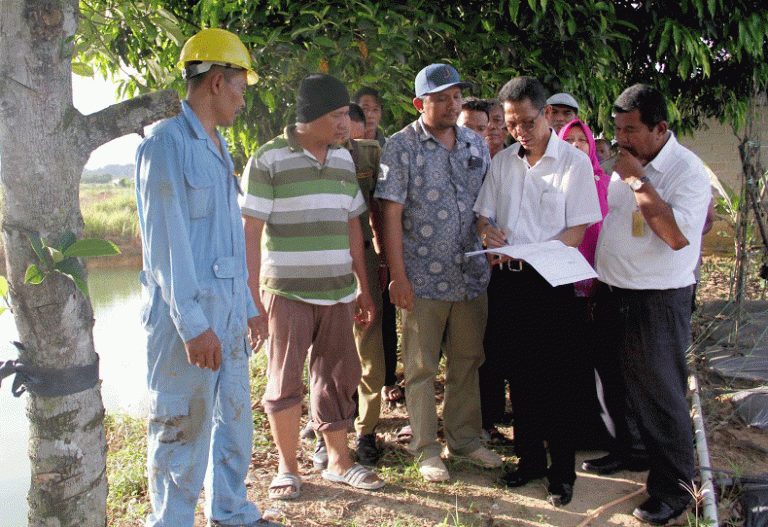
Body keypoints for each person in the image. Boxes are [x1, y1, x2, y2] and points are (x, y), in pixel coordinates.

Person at [135, 28, 282, 527]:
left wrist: (247, 307)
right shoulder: (165, 144)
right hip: (186, 320)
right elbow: (167, 247)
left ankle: (233, 513)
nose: (244, 98)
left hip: (226, 313)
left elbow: (227, 244)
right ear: (217, 82)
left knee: (235, 424)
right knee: (181, 430)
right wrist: (193, 324)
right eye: (241, 86)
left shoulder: (219, 148)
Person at [240, 73, 384, 499]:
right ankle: (287, 468)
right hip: (287, 291)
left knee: (339, 375)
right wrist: (252, 299)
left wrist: (363, 286)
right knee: (285, 381)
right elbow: (249, 233)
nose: (346, 123)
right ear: (310, 116)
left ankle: (339, 460)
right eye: (338, 115)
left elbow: (352, 225)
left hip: (338, 290)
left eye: (346, 115)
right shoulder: (268, 160)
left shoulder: (343, 160)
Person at [475, 77, 601, 506]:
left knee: (557, 379)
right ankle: (528, 460)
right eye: (511, 123)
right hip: (508, 282)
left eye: (526, 121)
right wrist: (487, 231)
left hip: (551, 282)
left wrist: (532, 252)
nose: (519, 131)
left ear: (547, 114)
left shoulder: (573, 163)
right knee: (520, 376)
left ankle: (561, 472)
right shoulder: (504, 162)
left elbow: (577, 228)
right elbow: (484, 217)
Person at [375, 63, 502, 482]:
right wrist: (398, 276)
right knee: (421, 367)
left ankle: (465, 441)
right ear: (420, 103)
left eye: (457, 96)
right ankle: (426, 448)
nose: (453, 104)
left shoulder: (475, 144)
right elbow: (389, 214)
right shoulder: (400, 147)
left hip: (470, 276)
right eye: (442, 97)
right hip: (422, 279)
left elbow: (485, 203)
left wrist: (486, 228)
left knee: (468, 361)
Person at [592, 84, 711, 525]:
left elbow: (677, 237)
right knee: (617, 383)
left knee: (661, 395)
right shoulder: (628, 162)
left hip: (657, 299)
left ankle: (673, 491)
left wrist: (637, 181)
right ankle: (629, 452)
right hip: (614, 290)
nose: (621, 138)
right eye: (618, 129)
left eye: (632, 130)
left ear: (661, 128)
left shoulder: (686, 171)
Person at [344, 102, 389, 466]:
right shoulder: (303, 155)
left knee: (369, 343)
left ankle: (366, 430)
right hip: (323, 260)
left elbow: (379, 209)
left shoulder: (371, 155)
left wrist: (384, 259)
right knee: (326, 345)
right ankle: (327, 422)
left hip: (364, 255)